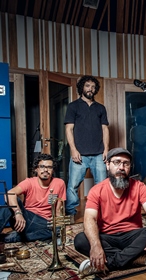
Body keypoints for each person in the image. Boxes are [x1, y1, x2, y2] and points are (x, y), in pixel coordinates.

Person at [74, 148, 146, 276]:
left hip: (132, 236)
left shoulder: (139, 186)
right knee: (81, 240)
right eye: (117, 162)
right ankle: (134, 258)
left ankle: (110, 263)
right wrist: (96, 246)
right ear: (108, 165)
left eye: (126, 163)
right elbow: (89, 218)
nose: (121, 167)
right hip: (107, 237)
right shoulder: (96, 190)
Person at [64, 75, 109, 215]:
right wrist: (73, 150)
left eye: (93, 87)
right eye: (88, 86)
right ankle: (71, 213)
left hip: (98, 154)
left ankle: (101, 212)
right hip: (79, 154)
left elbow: (105, 129)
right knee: (72, 186)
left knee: (102, 185)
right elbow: (68, 129)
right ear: (81, 87)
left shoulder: (101, 108)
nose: (91, 89)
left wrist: (106, 149)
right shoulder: (73, 106)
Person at [0, 154, 66, 243]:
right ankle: (20, 236)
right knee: (11, 202)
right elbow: (10, 194)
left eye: (49, 167)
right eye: (42, 166)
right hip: (25, 218)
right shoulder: (29, 182)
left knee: (59, 230)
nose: (45, 170)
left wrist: (58, 222)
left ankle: (10, 238)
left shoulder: (59, 183)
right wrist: (18, 213)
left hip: (42, 222)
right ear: (36, 169)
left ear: (53, 170)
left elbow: (58, 210)